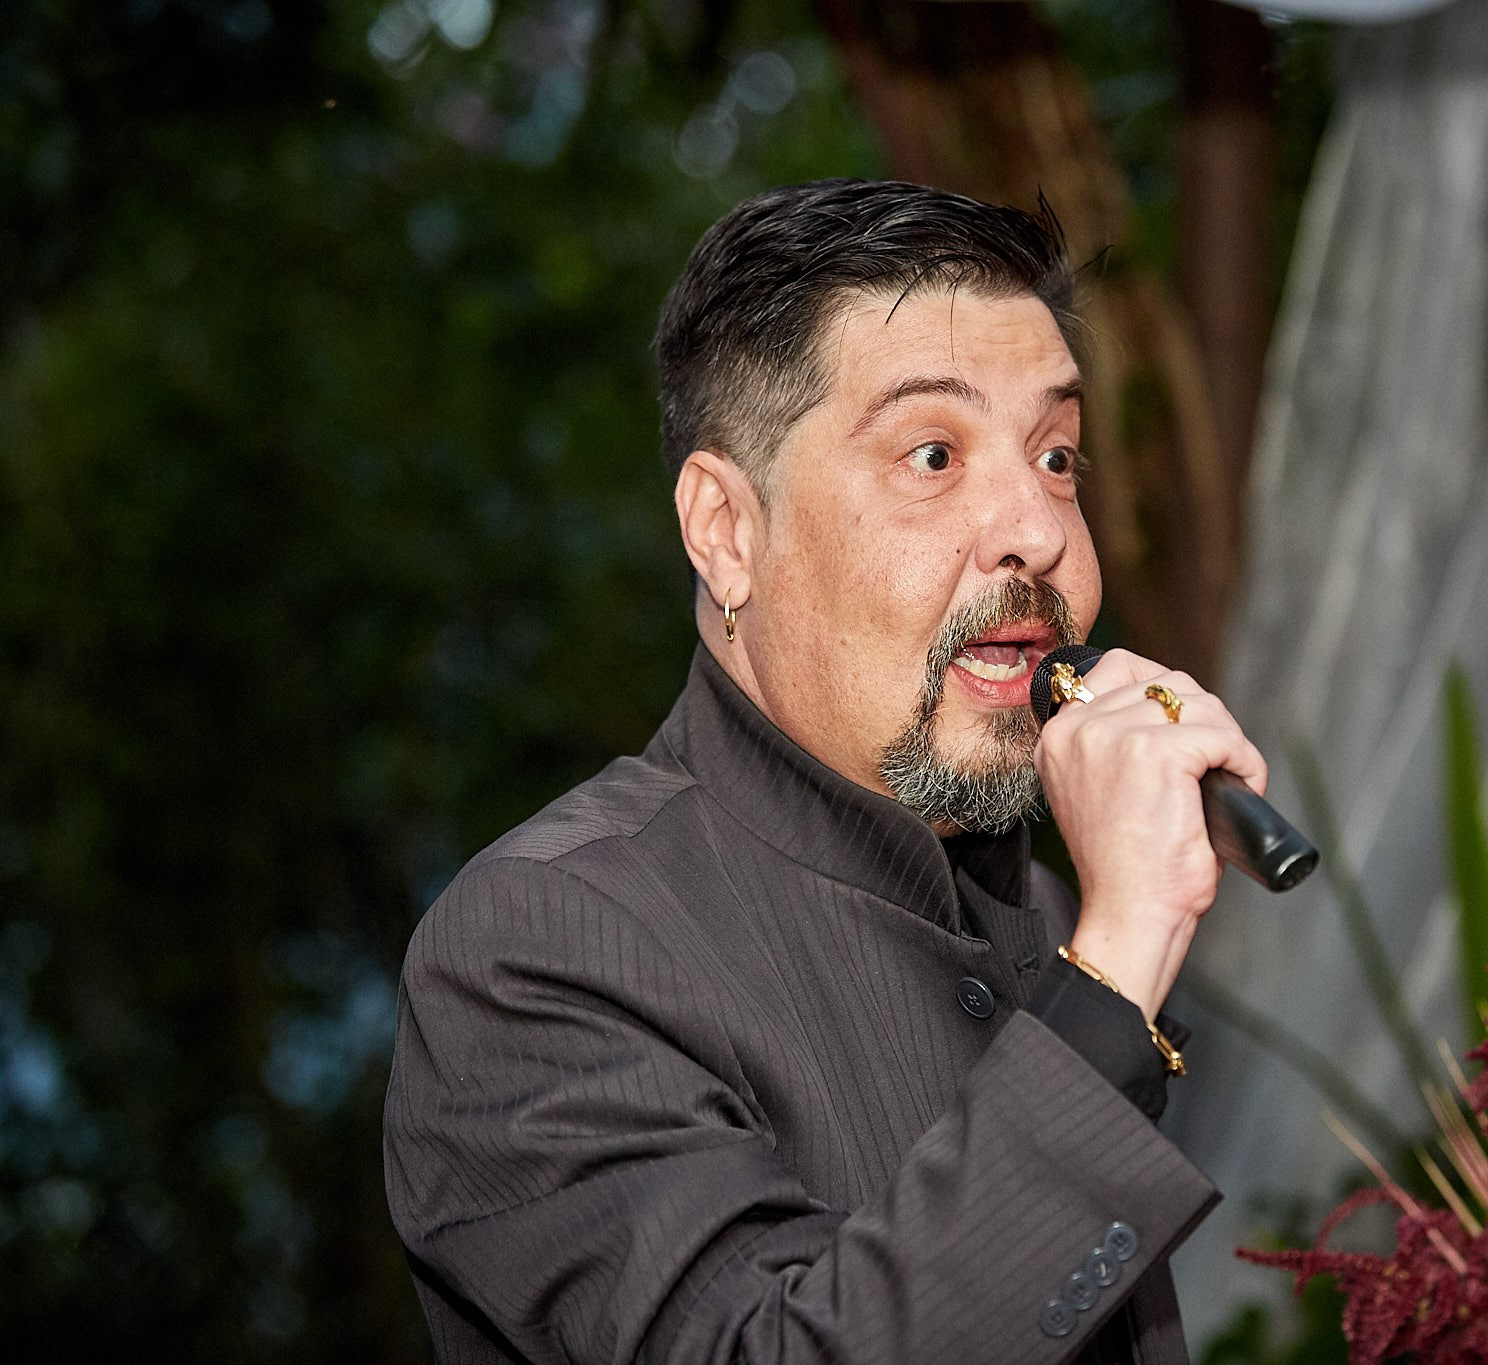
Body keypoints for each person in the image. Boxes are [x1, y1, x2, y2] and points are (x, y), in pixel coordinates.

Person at [383, 179, 1270, 1364]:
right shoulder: (539, 946)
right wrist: (1112, 979)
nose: (1039, 529)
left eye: (1057, 456)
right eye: (934, 453)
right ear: (726, 532)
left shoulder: (1046, 918)